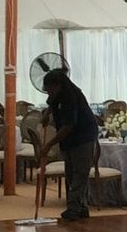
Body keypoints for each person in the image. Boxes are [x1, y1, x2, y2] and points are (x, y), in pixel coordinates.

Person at [35, 67, 101, 222]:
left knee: (80, 173)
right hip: (70, 140)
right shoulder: (56, 94)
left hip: (83, 136)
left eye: (49, 89)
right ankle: (80, 207)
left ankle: (73, 208)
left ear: (58, 85)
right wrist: (47, 115)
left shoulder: (70, 96)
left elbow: (68, 126)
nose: (48, 92)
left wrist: (49, 144)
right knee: (70, 173)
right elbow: (51, 104)